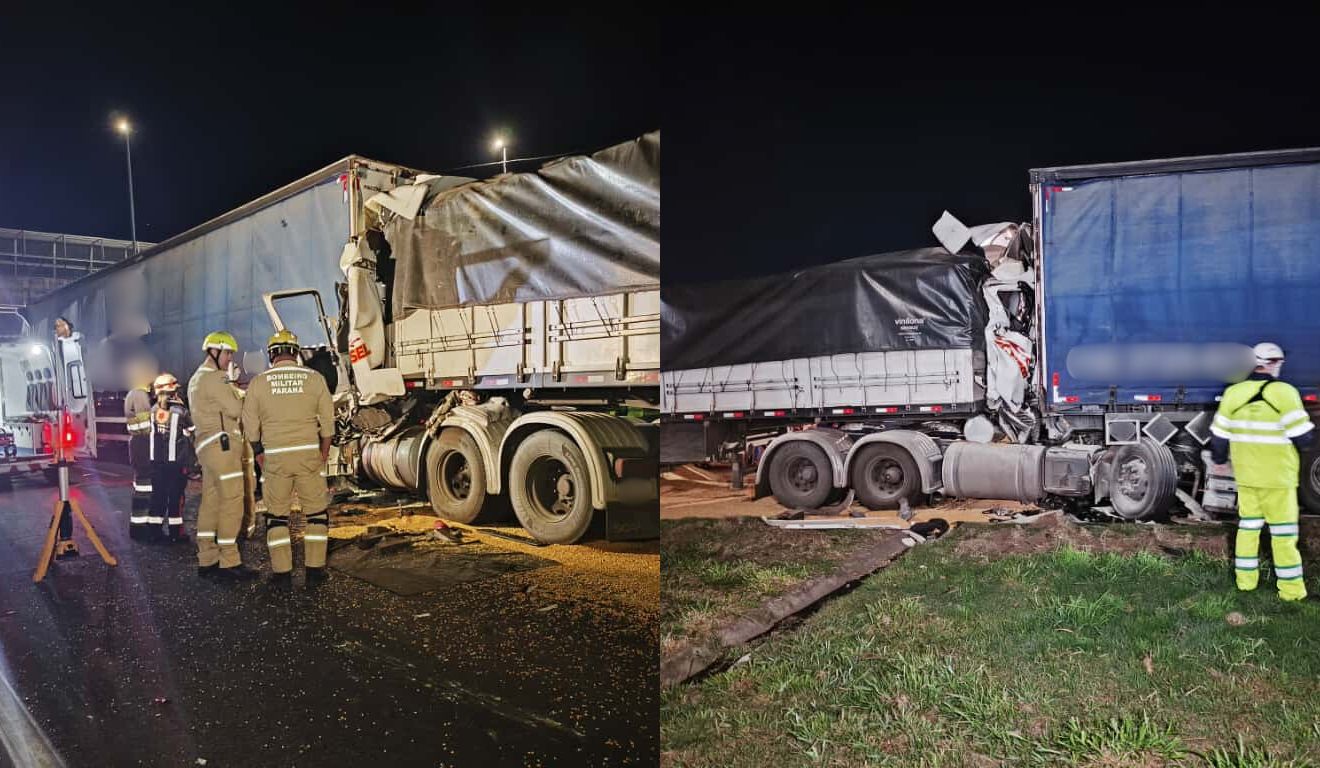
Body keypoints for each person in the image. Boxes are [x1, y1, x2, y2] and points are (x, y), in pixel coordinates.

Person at [1211, 342, 1316, 601]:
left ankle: (1245, 583)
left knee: (1248, 529)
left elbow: (1219, 437)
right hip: (1279, 478)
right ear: (1269, 363)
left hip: (1247, 477)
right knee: (1283, 534)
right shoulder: (1285, 393)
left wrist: (1220, 460)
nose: (1280, 365)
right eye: (1278, 361)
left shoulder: (1233, 393)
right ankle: (1291, 591)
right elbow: (1304, 439)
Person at [241, 330, 334, 585]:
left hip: (275, 459)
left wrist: (259, 454)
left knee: (277, 517)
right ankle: (314, 571)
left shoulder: (259, 383)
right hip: (308, 456)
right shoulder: (314, 379)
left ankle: (282, 574)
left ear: (271, 354)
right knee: (316, 514)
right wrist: (324, 452)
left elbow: (250, 427)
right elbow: (328, 422)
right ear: (295, 352)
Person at [187, 331, 257, 580]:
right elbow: (235, 409)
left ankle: (207, 558)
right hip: (223, 447)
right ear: (214, 352)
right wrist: (238, 392)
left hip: (207, 449)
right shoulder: (216, 378)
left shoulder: (196, 379)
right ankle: (229, 560)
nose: (230, 359)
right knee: (232, 501)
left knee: (211, 502)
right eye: (227, 353)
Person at [148, 373, 192, 542]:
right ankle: (176, 533)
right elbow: (192, 430)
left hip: (157, 462)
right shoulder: (181, 412)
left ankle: (155, 532)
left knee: (158, 496)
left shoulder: (153, 411)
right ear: (173, 393)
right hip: (176, 464)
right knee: (175, 497)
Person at [124, 369, 156, 540]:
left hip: (138, 446)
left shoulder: (132, 394)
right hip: (144, 445)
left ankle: (138, 526)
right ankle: (140, 528)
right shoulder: (140, 395)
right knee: (145, 490)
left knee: (140, 489)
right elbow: (146, 426)